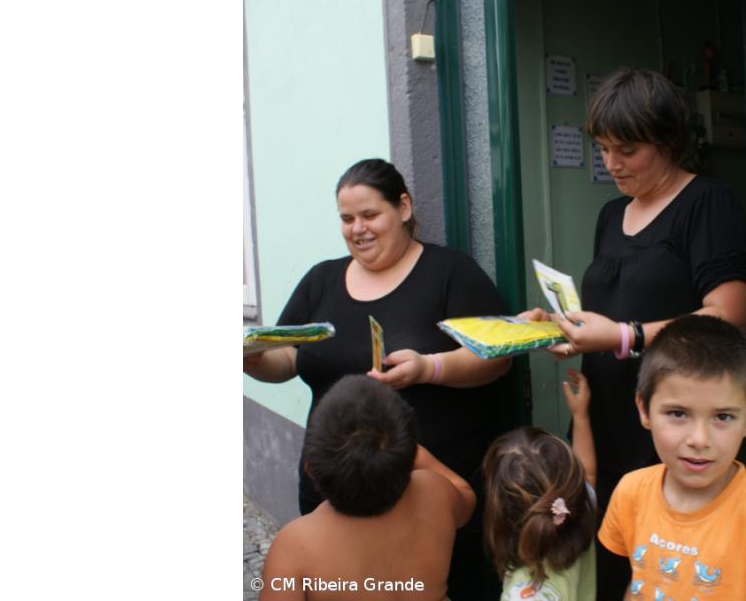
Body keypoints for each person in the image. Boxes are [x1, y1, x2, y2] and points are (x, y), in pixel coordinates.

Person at [520, 67, 746, 597]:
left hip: (674, 419)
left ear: (667, 140)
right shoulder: (611, 215)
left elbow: (730, 313)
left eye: (626, 150)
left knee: (669, 564)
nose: (611, 164)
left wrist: (624, 338)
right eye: (603, 148)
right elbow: (610, 311)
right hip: (606, 413)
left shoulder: (706, 203)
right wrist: (560, 327)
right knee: (615, 553)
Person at [244, 158, 511, 597]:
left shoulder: (450, 273)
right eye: (347, 219)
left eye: (370, 215)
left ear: (403, 207)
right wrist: (255, 362)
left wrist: (430, 368)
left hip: (429, 489)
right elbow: (288, 358)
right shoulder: (322, 280)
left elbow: (497, 359)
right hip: (335, 487)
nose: (357, 229)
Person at [598, 315, 746, 600]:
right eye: (678, 414)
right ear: (644, 409)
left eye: (723, 417)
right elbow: (640, 581)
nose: (700, 440)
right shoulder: (631, 493)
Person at [260, 376, 475, 601]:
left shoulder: (295, 545)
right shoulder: (436, 493)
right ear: (411, 454)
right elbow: (467, 498)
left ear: (310, 470)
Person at [482, 423, 598, 601]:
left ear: (499, 514)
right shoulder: (580, 510)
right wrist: (579, 416)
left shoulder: (523, 595)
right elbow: (588, 476)